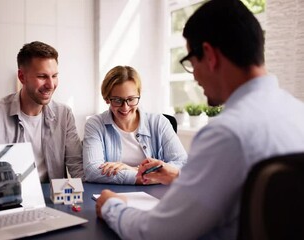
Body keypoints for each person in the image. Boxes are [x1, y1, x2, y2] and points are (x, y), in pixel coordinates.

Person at [95, 0, 304, 239]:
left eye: (192, 63)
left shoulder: (226, 133)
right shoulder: (298, 113)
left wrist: (112, 206)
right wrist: (178, 177)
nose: (195, 76)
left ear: (210, 56)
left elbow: (159, 233)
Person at [0, 41, 84, 183]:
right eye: (42, 76)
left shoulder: (64, 114)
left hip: (51, 200)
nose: (51, 85)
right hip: (8, 198)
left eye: (54, 76)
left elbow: (77, 168)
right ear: (22, 77)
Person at [83, 65, 187, 185]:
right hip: (113, 195)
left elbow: (182, 163)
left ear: (139, 95)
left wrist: (133, 170)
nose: (125, 107)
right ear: (107, 99)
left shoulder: (159, 122)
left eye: (131, 99)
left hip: (155, 197)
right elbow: (92, 171)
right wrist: (149, 177)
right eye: (117, 100)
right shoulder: (95, 124)